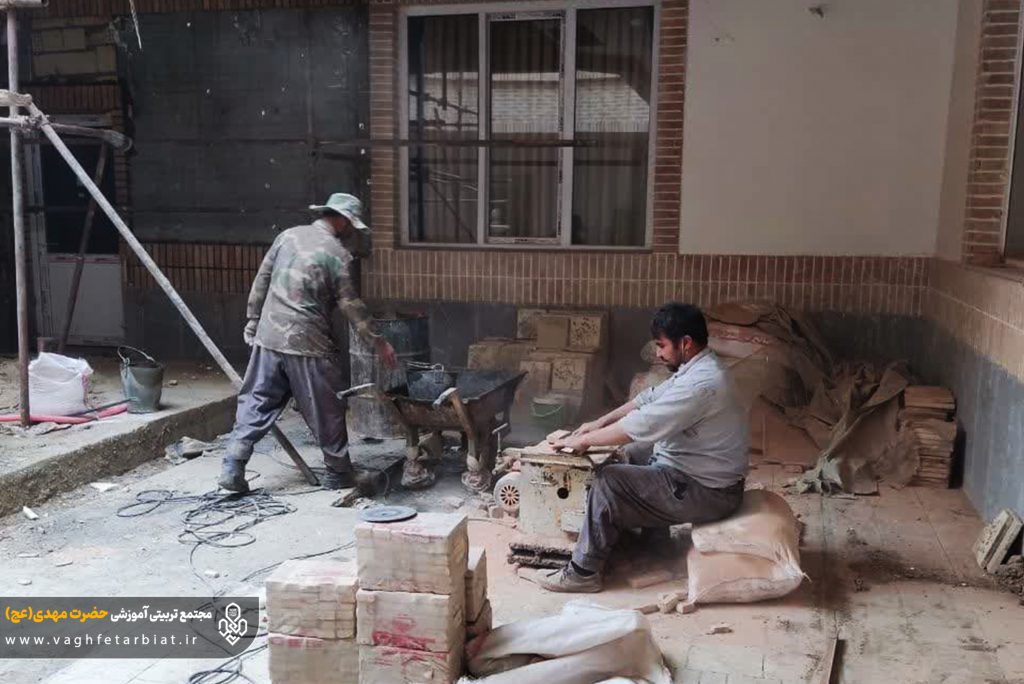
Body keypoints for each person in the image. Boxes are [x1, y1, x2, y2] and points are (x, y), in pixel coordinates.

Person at [537, 303, 750, 593]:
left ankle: (583, 573)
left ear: (685, 343)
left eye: (662, 345)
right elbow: (647, 399)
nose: (659, 354)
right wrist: (598, 423)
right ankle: (654, 542)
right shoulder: (698, 367)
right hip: (701, 475)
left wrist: (583, 440)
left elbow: (641, 425)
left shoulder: (701, 384)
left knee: (609, 481)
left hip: (710, 493)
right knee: (634, 452)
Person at [217, 193, 397, 493]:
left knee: (257, 400)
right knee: (326, 406)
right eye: (350, 224)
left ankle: (233, 464)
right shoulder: (337, 253)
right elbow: (350, 305)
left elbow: (262, 278)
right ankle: (338, 473)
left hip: (269, 335)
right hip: (308, 341)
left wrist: (253, 319)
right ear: (342, 220)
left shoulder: (287, 236)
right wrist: (378, 342)